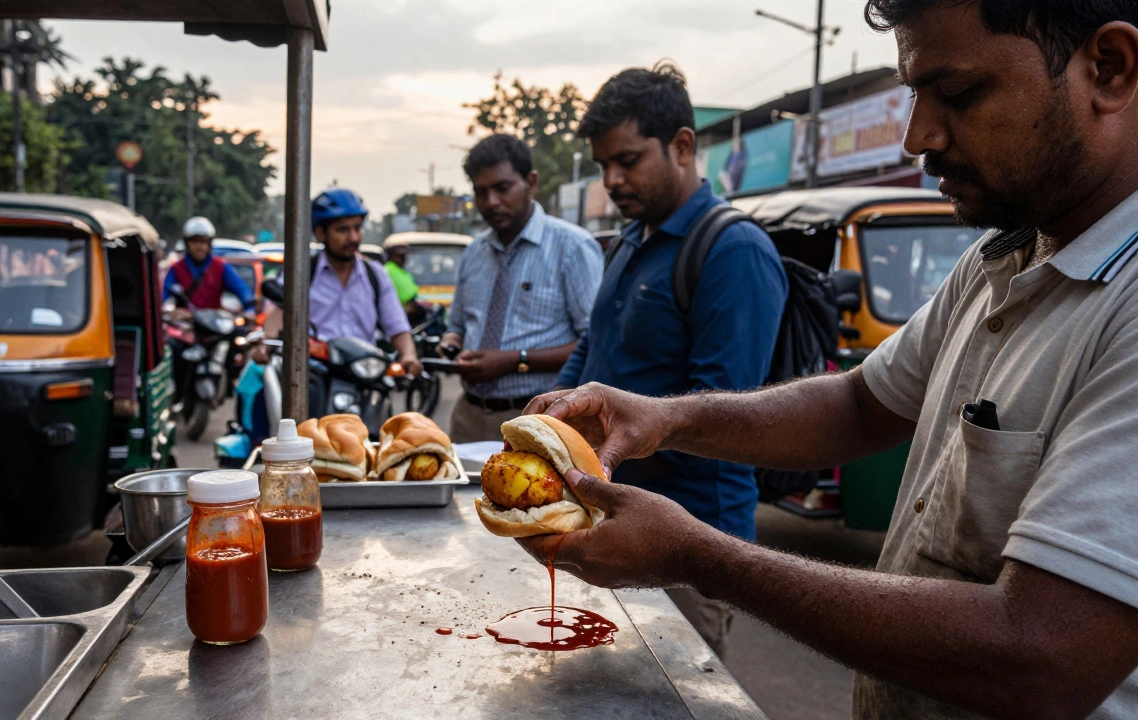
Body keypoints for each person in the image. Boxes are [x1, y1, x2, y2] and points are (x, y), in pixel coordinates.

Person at [518, 3, 1138, 718]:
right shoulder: (1001, 256)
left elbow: (1042, 654)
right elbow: (858, 405)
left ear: (1110, 69)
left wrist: (696, 555)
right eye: (913, 94)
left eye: (959, 94)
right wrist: (663, 417)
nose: (917, 137)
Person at [554, 64, 787, 657]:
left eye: (627, 161)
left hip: (688, 540)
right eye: (604, 166)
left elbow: (724, 409)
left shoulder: (733, 251)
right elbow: (596, 343)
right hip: (606, 516)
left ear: (683, 145)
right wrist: (552, 422)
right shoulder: (631, 239)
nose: (612, 180)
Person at [438, 134, 602, 443]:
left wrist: (515, 359)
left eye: (502, 188)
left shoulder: (572, 247)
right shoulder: (473, 252)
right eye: (481, 192)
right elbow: (457, 325)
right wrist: (450, 346)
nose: (491, 202)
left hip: (541, 419)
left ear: (531, 181)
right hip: (469, 417)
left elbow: (594, 343)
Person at [307, 188, 422, 377]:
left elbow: (396, 326)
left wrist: (408, 355)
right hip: (314, 374)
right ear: (321, 233)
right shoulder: (303, 273)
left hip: (364, 376)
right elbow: (278, 316)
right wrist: (264, 344)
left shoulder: (376, 274)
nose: (353, 237)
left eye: (357, 228)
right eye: (343, 230)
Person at [163, 216, 256, 313]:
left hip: (214, 324)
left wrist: (249, 309)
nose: (199, 246)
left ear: (209, 244)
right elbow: (164, 297)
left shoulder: (220, 267)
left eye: (203, 241)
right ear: (187, 243)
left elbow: (241, 289)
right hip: (184, 323)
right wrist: (170, 312)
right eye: (194, 241)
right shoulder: (176, 269)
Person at [383, 244, 425, 325]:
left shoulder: (400, 271)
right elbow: (409, 296)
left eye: (403, 256)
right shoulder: (390, 270)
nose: (403, 259)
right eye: (399, 256)